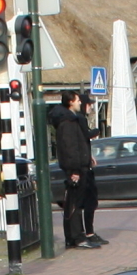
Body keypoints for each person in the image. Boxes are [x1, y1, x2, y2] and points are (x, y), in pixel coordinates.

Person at [51, 90, 102, 249]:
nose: (81, 102)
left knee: (74, 202)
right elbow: (71, 147)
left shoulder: (70, 121)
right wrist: (74, 170)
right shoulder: (68, 123)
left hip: (79, 166)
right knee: (75, 203)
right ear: (71, 102)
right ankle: (77, 237)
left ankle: (74, 237)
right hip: (76, 169)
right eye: (78, 100)